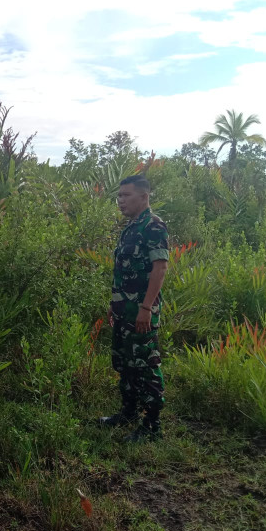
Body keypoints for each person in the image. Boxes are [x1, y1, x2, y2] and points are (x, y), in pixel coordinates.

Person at [100, 175, 169, 442]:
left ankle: (152, 426)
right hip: (123, 311)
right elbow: (123, 273)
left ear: (144, 196)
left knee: (145, 364)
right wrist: (113, 304)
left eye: (126, 195)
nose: (120, 201)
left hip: (141, 312)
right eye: (119, 196)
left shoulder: (153, 226)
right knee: (126, 363)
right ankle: (128, 413)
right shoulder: (130, 228)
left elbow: (159, 268)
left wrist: (146, 308)